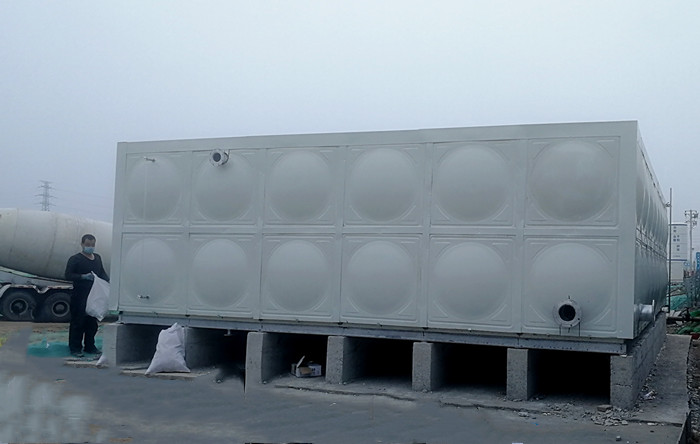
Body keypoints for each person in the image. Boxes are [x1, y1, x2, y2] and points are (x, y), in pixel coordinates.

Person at [65, 233, 109, 357]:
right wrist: (82, 277)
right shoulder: (75, 259)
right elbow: (68, 275)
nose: (90, 247)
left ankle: (90, 346)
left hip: (93, 296)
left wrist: (108, 282)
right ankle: (75, 348)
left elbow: (102, 273)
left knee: (92, 323)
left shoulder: (97, 258)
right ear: (82, 244)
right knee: (78, 323)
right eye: (88, 244)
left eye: (92, 245)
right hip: (79, 296)